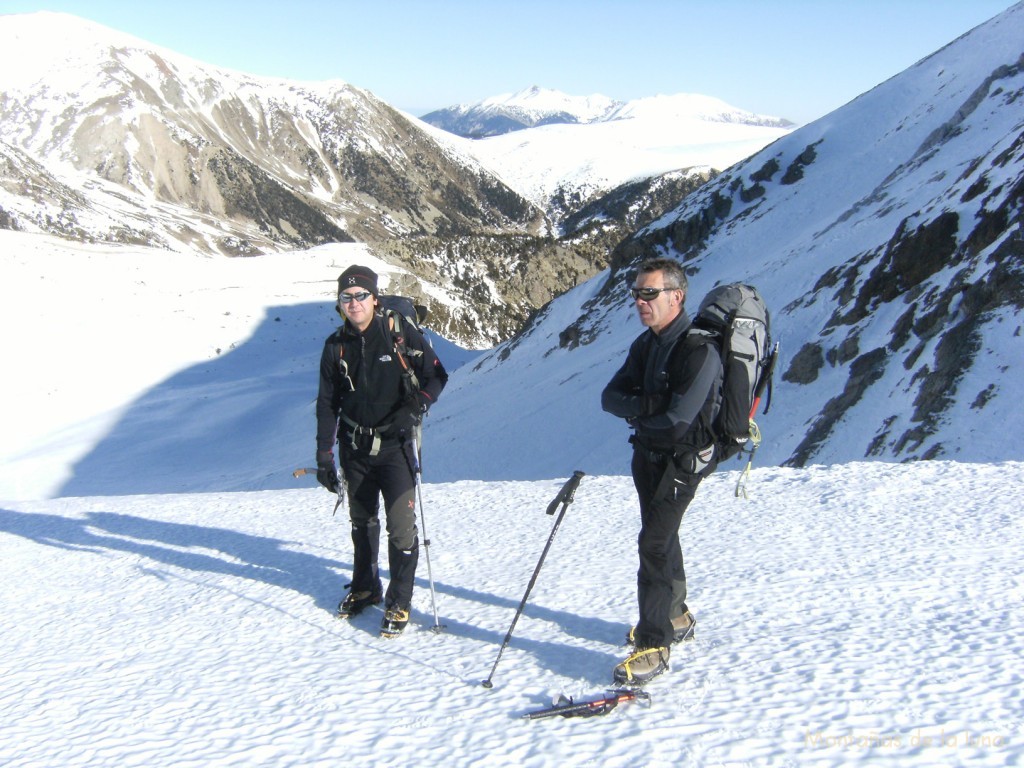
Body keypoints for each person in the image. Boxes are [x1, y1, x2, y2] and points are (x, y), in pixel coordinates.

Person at [600, 257, 723, 685]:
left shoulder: (698, 350)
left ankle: (654, 644)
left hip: (682, 462)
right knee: (661, 535)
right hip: (647, 456)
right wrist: (648, 408)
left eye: (649, 293)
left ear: (677, 296)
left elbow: (678, 422)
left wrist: (641, 412)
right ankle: (675, 614)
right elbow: (609, 398)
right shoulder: (647, 345)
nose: (640, 301)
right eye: (637, 293)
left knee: (653, 543)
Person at [315, 265, 448, 637]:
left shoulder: (398, 333)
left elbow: (437, 376)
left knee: (402, 531)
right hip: (354, 448)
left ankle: (399, 601)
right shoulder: (335, 346)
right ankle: (365, 587)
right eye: (346, 297)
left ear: (374, 298)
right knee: (362, 522)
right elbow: (327, 404)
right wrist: (324, 456)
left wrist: (415, 407)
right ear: (339, 304)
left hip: (396, 448)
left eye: (360, 295)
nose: (354, 303)